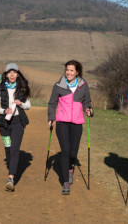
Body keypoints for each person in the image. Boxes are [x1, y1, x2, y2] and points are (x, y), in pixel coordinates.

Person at [48, 60, 93, 195]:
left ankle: (70, 168)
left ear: (77, 72)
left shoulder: (83, 85)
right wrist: (51, 118)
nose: (68, 72)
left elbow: (87, 102)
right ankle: (66, 182)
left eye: (71, 70)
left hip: (77, 123)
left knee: (73, 153)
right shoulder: (58, 85)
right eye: (67, 70)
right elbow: (52, 103)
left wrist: (88, 109)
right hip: (62, 122)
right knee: (65, 151)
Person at [0, 63, 31, 191]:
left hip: (17, 122)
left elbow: (28, 105)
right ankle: (12, 166)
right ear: (6, 74)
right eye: (10, 72)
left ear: (18, 74)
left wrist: (21, 104)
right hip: (4, 123)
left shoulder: (22, 88)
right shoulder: (1, 87)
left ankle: (11, 178)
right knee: (8, 149)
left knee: (15, 149)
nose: (12, 74)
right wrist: (4, 111)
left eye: (14, 72)